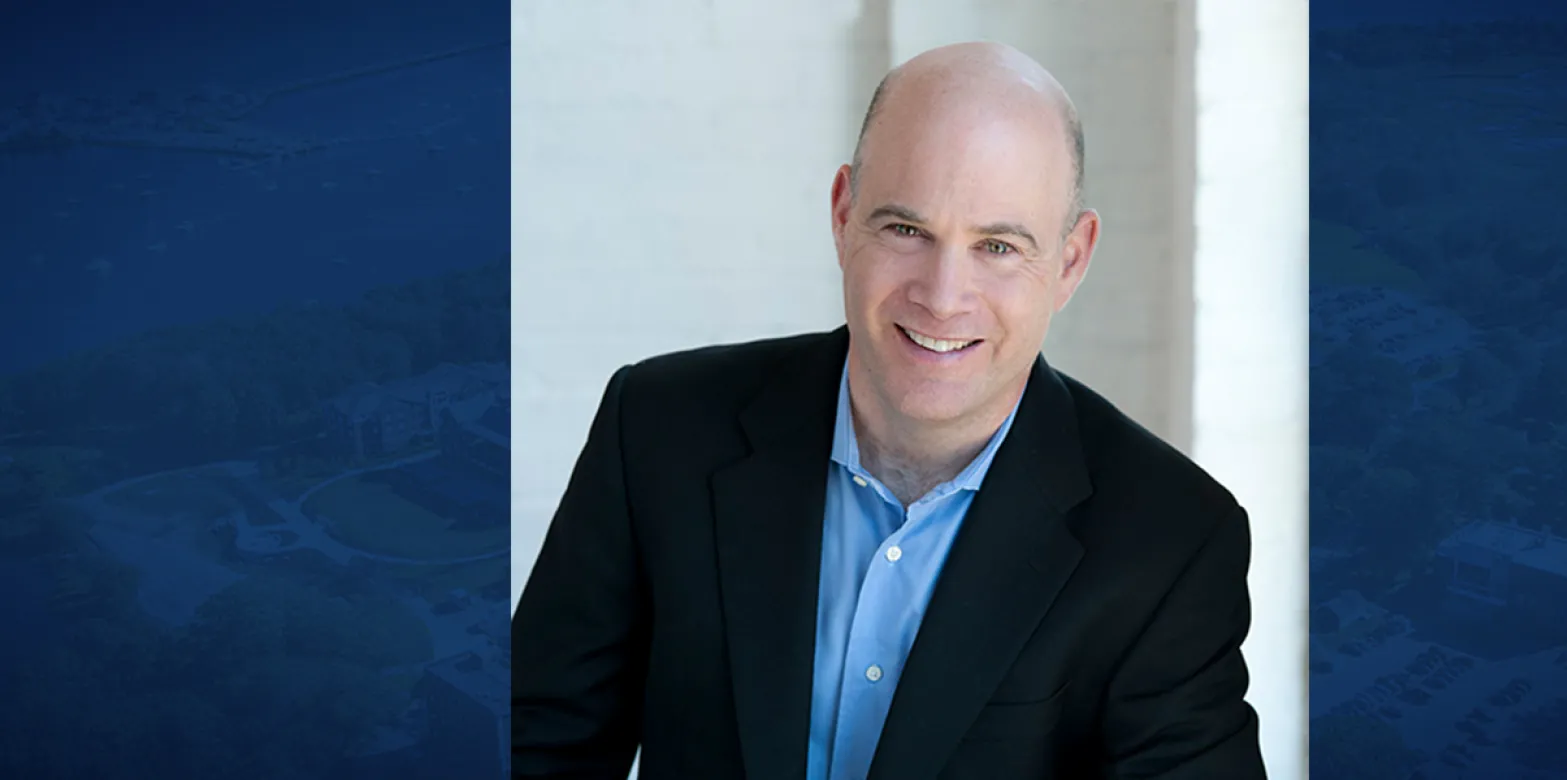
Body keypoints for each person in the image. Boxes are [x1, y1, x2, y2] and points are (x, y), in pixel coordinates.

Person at [511, 41, 1264, 780]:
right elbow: (536, 746)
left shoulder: (1172, 542)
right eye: (907, 230)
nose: (942, 295)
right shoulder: (656, 431)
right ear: (843, 214)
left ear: (1070, 261)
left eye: (998, 246)